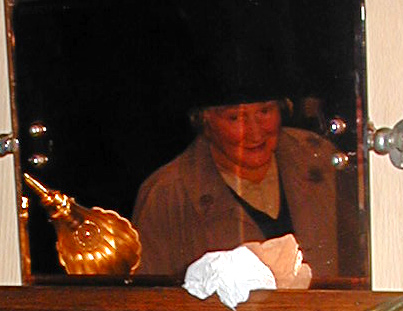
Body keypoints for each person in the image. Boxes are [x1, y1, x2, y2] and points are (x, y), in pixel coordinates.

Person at [132, 99, 341, 283]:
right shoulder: (167, 196)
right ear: (205, 121)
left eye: (265, 112)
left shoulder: (319, 159)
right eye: (235, 118)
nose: (255, 132)